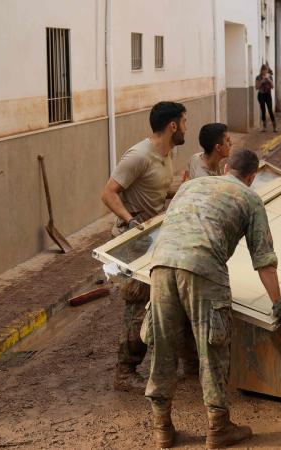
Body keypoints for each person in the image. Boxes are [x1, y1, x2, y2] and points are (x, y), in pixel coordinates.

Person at [145, 148, 281, 449]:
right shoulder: (250, 199)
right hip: (203, 269)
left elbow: (169, 228)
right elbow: (264, 259)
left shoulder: (189, 186)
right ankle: (218, 428)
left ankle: (162, 429)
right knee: (211, 347)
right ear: (251, 177)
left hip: (160, 265)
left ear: (226, 168)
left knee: (163, 345)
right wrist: (278, 304)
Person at [100, 101, 193, 393]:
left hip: (154, 239)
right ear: (173, 126)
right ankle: (124, 372)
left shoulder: (167, 153)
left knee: (163, 301)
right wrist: (129, 221)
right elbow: (108, 193)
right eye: (185, 122)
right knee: (137, 305)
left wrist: (188, 191)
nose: (187, 127)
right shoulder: (139, 155)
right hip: (132, 244)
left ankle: (169, 361)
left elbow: (157, 189)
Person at [255, 66, 276, 132]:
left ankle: (274, 127)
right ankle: (264, 127)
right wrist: (262, 81)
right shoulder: (258, 77)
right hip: (261, 95)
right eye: (263, 70)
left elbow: (272, 87)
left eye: (266, 70)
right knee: (263, 110)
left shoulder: (270, 76)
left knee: (270, 110)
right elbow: (256, 87)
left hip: (268, 95)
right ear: (261, 70)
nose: (264, 72)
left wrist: (269, 80)